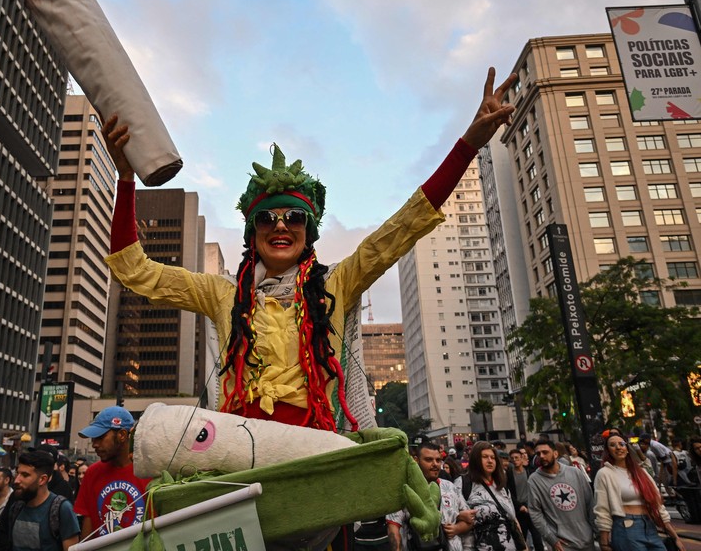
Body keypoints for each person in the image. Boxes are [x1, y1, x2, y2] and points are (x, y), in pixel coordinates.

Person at [102, 67, 515, 431]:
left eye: (294, 217)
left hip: (318, 457)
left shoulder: (338, 282)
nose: (280, 225)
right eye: (267, 218)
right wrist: (125, 179)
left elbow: (405, 226)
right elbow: (135, 271)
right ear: (252, 233)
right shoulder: (222, 293)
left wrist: (468, 145)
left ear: (308, 231)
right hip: (244, 462)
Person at [594, 433, 684, 551]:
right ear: (608, 451)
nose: (618, 447)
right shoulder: (605, 473)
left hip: (650, 526)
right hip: (625, 528)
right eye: (612, 445)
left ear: (627, 448)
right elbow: (602, 509)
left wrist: (675, 536)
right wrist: (604, 542)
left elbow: (657, 504)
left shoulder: (641, 472)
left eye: (621, 444)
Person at [73, 406, 152, 537]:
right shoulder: (92, 473)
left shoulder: (148, 471)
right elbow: (88, 524)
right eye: (93, 439)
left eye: (100, 437)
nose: (94, 444)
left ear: (122, 435)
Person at [386, 441, 475, 551]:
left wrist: (457, 528)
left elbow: (469, 521)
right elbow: (393, 528)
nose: (435, 464)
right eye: (428, 460)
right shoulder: (404, 489)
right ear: (416, 460)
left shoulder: (450, 487)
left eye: (438, 460)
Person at [0, 451, 79, 551]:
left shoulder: (62, 509)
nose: (17, 480)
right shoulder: (16, 507)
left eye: (25, 475)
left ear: (42, 480)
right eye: (17, 473)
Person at [526, 440, 595, 551]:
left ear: (555, 454)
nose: (541, 456)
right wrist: (551, 538)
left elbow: (590, 503)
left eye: (545, 452)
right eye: (538, 454)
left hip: (587, 539)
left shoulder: (575, 473)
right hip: (562, 545)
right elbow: (535, 512)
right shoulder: (534, 480)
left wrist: (595, 531)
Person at [464, 442, 524, 551]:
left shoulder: (502, 487)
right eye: (485, 457)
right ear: (475, 459)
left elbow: (513, 520)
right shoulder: (464, 484)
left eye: (493, 457)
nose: (490, 461)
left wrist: (524, 546)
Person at [506, 448, 541, 551]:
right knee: (522, 538)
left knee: (537, 538)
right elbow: (508, 493)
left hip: (532, 508)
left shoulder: (529, 471)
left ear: (522, 459)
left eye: (517, 457)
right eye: (512, 458)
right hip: (519, 510)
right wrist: (519, 506)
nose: (514, 460)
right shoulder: (509, 474)